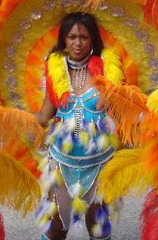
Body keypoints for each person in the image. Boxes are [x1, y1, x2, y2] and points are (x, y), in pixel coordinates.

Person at [32, 12, 122, 240]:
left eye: (83, 36)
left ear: (92, 39)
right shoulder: (56, 70)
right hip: (62, 163)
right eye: (72, 37)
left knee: (98, 228)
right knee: (54, 230)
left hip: (99, 162)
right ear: (64, 39)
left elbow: (123, 113)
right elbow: (44, 116)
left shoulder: (109, 69)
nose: (78, 43)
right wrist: (5, 114)